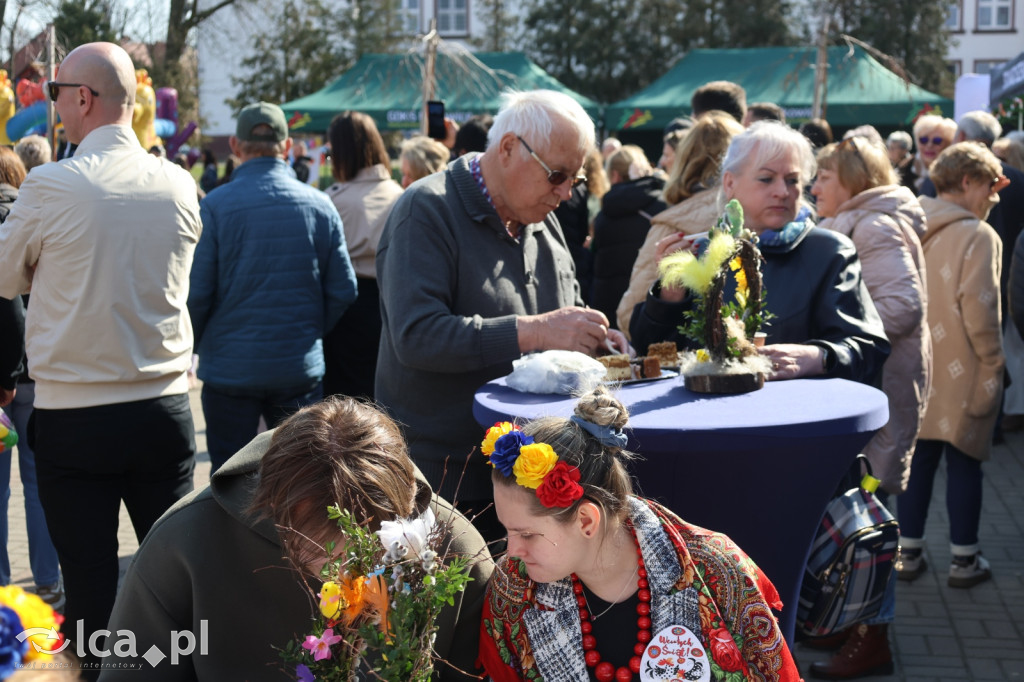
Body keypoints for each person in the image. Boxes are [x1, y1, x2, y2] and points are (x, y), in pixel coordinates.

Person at [0, 42, 202, 672]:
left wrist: (48, 270)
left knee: (89, 588)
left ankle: (98, 674)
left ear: (81, 99)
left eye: (57, 91)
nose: (55, 103)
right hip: (163, 408)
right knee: (174, 578)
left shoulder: (51, 184)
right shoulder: (178, 182)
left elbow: (4, 277)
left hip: (76, 415)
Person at [375, 89, 629, 542]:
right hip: (449, 481)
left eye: (576, 180)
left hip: (537, 475)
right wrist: (537, 331)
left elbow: (561, 311)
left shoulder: (539, 216)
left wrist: (593, 338)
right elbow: (416, 336)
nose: (567, 193)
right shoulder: (425, 210)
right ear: (509, 148)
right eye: (557, 175)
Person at [102, 396, 494, 680]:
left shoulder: (454, 551)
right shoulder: (183, 543)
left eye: (364, 551)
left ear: (400, 514)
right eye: (315, 546)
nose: (339, 574)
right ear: (271, 506)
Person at [478, 386, 801, 682]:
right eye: (507, 531)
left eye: (528, 534)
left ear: (587, 521)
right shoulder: (514, 586)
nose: (512, 550)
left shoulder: (713, 568)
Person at [629, 121, 889, 385]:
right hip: (708, 418)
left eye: (792, 180)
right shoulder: (703, 252)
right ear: (730, 183)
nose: (782, 192)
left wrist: (818, 357)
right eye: (766, 178)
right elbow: (654, 357)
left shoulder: (829, 252)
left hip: (797, 420)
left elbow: (868, 347)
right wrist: (670, 296)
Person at [808, 136, 930, 678]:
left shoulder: (873, 226)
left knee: (872, 524)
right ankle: (855, 624)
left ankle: (872, 637)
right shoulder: (858, 221)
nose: (813, 187)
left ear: (852, 180)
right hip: (873, 393)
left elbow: (903, 305)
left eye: (823, 177)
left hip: (879, 398)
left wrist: (843, 322)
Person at [188, 101, 358, 473]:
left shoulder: (215, 206)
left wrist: (200, 346)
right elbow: (344, 288)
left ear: (235, 145)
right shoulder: (320, 205)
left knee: (230, 481)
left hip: (229, 369)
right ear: (286, 146)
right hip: (296, 366)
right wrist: (310, 329)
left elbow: (198, 292)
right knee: (297, 482)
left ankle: (235, 535)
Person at [896, 142, 1007, 589]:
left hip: (914, 366)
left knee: (918, 461)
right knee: (965, 462)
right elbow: (982, 310)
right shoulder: (979, 235)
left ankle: (908, 552)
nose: (994, 196)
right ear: (967, 181)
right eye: (989, 185)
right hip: (965, 366)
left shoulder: (908, 222)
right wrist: (995, 366)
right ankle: (964, 560)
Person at [0, 148, 62, 611]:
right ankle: (48, 580)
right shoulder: (38, 217)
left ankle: (3, 585)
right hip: (38, 374)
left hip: (2, 381)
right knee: (39, 489)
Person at [617, 112, 744, 334]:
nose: (664, 161)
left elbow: (629, 317)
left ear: (686, 160)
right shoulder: (758, 218)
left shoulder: (672, 225)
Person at [323, 111, 403, 400]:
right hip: (391, 303)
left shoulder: (334, 200)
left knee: (345, 402)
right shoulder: (400, 193)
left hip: (346, 308)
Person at [590, 145, 666, 328]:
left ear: (614, 175)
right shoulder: (662, 207)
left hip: (608, 304)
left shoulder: (604, 214)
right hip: (648, 304)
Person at [909, 114, 956, 194]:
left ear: (948, 143)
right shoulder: (903, 170)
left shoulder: (955, 173)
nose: (929, 145)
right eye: (923, 140)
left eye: (937, 141)